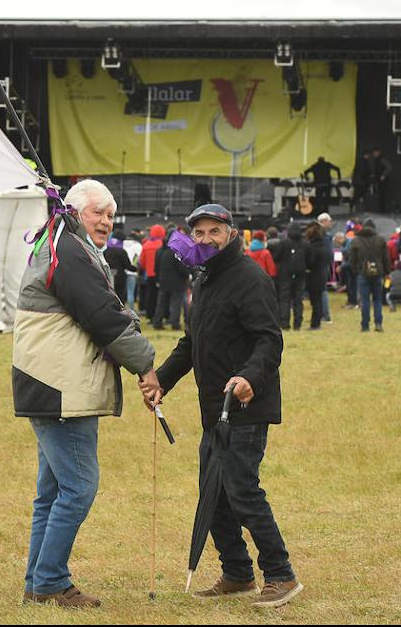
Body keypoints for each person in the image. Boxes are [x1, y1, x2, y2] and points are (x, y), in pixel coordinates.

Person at [139, 203, 301, 609]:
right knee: (213, 493)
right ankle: (237, 573)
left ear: (231, 233)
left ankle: (281, 575)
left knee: (242, 489)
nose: (206, 239)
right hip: (214, 409)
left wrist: (250, 377)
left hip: (246, 404)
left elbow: (269, 340)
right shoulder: (205, 279)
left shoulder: (250, 278)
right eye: (200, 233)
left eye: (215, 231)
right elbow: (192, 343)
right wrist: (162, 378)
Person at [12, 179, 155, 609]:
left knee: (53, 491)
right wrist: (145, 364)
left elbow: (102, 308)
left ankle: (38, 582)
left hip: (47, 383)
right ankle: (51, 581)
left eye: (111, 215)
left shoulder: (60, 243)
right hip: (60, 388)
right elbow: (102, 316)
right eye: (99, 213)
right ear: (75, 211)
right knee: (79, 486)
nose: (107, 222)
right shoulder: (69, 250)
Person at [349, 219, 389, 332]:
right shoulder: (380, 240)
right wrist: (387, 272)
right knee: (377, 299)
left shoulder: (356, 240)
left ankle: (365, 325)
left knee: (365, 300)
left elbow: (352, 259)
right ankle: (378, 323)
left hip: (362, 273)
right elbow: (386, 258)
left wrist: (355, 271)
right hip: (378, 273)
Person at [272, 224, 309, 331]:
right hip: (300, 274)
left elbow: (276, 257)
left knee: (285, 299)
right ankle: (297, 324)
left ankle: (284, 324)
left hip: (285, 274)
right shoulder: (305, 244)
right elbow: (310, 259)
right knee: (298, 300)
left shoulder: (283, 243)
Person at [153, 227, 190, 331]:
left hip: (163, 281)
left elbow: (156, 266)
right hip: (176, 283)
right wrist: (187, 276)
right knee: (175, 304)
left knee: (161, 304)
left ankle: (157, 322)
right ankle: (175, 324)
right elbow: (182, 268)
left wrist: (157, 279)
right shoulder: (177, 251)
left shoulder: (160, 250)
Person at [304, 222, 329, 330]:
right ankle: (317, 321)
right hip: (322, 274)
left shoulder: (313, 247)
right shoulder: (324, 246)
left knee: (315, 301)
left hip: (314, 276)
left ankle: (315, 323)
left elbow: (311, 262)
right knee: (318, 299)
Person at [139, 225, 166, 322]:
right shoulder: (163, 245)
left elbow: (141, 261)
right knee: (162, 297)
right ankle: (161, 316)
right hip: (161, 274)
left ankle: (150, 315)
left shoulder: (146, 245)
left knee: (150, 295)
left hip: (149, 274)